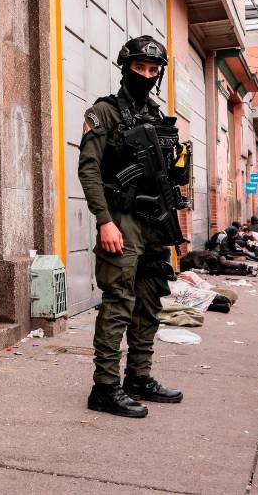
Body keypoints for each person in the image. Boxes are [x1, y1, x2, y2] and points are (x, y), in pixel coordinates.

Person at [78, 36, 187, 419]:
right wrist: (104, 220)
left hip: (155, 221)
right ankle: (105, 387)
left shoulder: (158, 118)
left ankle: (138, 377)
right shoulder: (103, 113)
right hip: (122, 221)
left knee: (149, 301)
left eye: (152, 70)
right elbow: (88, 169)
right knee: (118, 302)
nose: (146, 74)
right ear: (126, 68)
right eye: (139, 68)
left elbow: (168, 175)